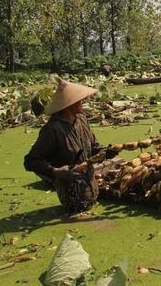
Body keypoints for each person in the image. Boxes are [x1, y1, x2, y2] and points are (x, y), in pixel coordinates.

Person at [24, 79, 115, 215]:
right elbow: (31, 161)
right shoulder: (52, 129)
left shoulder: (81, 120)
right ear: (70, 104)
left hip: (91, 191)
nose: (82, 103)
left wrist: (106, 152)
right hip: (71, 198)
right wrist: (55, 172)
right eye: (80, 101)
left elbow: (94, 148)